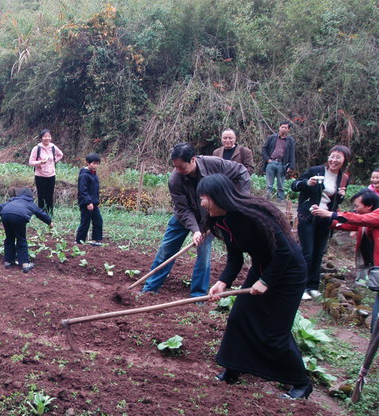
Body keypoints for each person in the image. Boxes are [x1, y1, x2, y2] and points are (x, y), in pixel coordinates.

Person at [201, 174, 312, 399]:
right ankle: (234, 368)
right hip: (262, 268)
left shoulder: (253, 216)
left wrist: (266, 281)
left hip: (288, 272)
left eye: (203, 197)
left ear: (216, 197)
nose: (201, 203)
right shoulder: (221, 220)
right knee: (239, 317)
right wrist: (222, 283)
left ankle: (301, 383)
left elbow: (285, 251)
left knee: (274, 331)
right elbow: (235, 258)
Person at [141, 143, 251, 297]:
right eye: (175, 166)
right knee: (166, 249)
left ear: (193, 160)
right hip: (183, 216)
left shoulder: (214, 164)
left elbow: (242, 171)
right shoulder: (175, 179)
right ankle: (150, 289)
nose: (178, 170)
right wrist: (195, 230)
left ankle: (198, 295)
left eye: (181, 166)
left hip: (209, 216)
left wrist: (242, 200)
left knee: (204, 254)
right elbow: (182, 209)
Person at [312, 189, 379, 332]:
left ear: (369, 206)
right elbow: (346, 224)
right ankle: (375, 333)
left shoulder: (375, 217)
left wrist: (331, 213)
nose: (355, 209)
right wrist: (325, 219)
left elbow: (358, 219)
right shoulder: (367, 219)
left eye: (357, 206)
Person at [291, 145, 351, 300]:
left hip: (325, 218)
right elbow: (294, 186)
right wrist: (307, 183)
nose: (334, 160)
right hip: (307, 217)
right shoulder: (314, 171)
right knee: (307, 253)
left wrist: (342, 196)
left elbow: (337, 200)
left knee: (318, 254)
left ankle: (313, 286)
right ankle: (301, 287)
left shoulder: (343, 177)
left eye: (338, 157)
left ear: (344, 160)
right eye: (332, 156)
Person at [0, 187, 52, 273]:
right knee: (21, 239)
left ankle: (8, 261)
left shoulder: (12, 201)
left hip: (5, 215)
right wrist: (49, 222)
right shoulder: (30, 203)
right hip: (19, 217)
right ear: (31, 196)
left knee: (9, 238)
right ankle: (25, 264)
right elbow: (40, 213)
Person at [28, 129, 64, 215]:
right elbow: (31, 162)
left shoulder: (53, 147)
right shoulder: (37, 148)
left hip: (51, 175)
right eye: (45, 136)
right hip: (40, 175)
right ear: (41, 138)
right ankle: (41, 214)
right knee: (41, 196)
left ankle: (50, 213)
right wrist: (40, 162)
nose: (47, 138)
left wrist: (54, 162)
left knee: (50, 196)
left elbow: (60, 154)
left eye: (49, 136)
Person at [261, 121, 296, 202]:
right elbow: (264, 149)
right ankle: (267, 200)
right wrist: (267, 159)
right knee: (269, 184)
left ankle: (280, 200)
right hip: (271, 162)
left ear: (288, 129)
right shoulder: (272, 137)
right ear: (279, 127)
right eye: (282, 127)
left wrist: (291, 166)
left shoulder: (290, 140)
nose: (283, 129)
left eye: (285, 128)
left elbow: (292, 153)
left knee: (281, 184)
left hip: (282, 164)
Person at [76, 153, 103, 246]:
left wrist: (95, 201)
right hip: (86, 203)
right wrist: (88, 202)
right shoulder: (84, 175)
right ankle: (79, 241)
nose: (95, 165)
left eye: (97, 163)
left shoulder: (94, 174)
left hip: (94, 203)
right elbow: (83, 190)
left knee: (98, 221)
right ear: (88, 163)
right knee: (85, 222)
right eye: (94, 163)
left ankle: (96, 240)